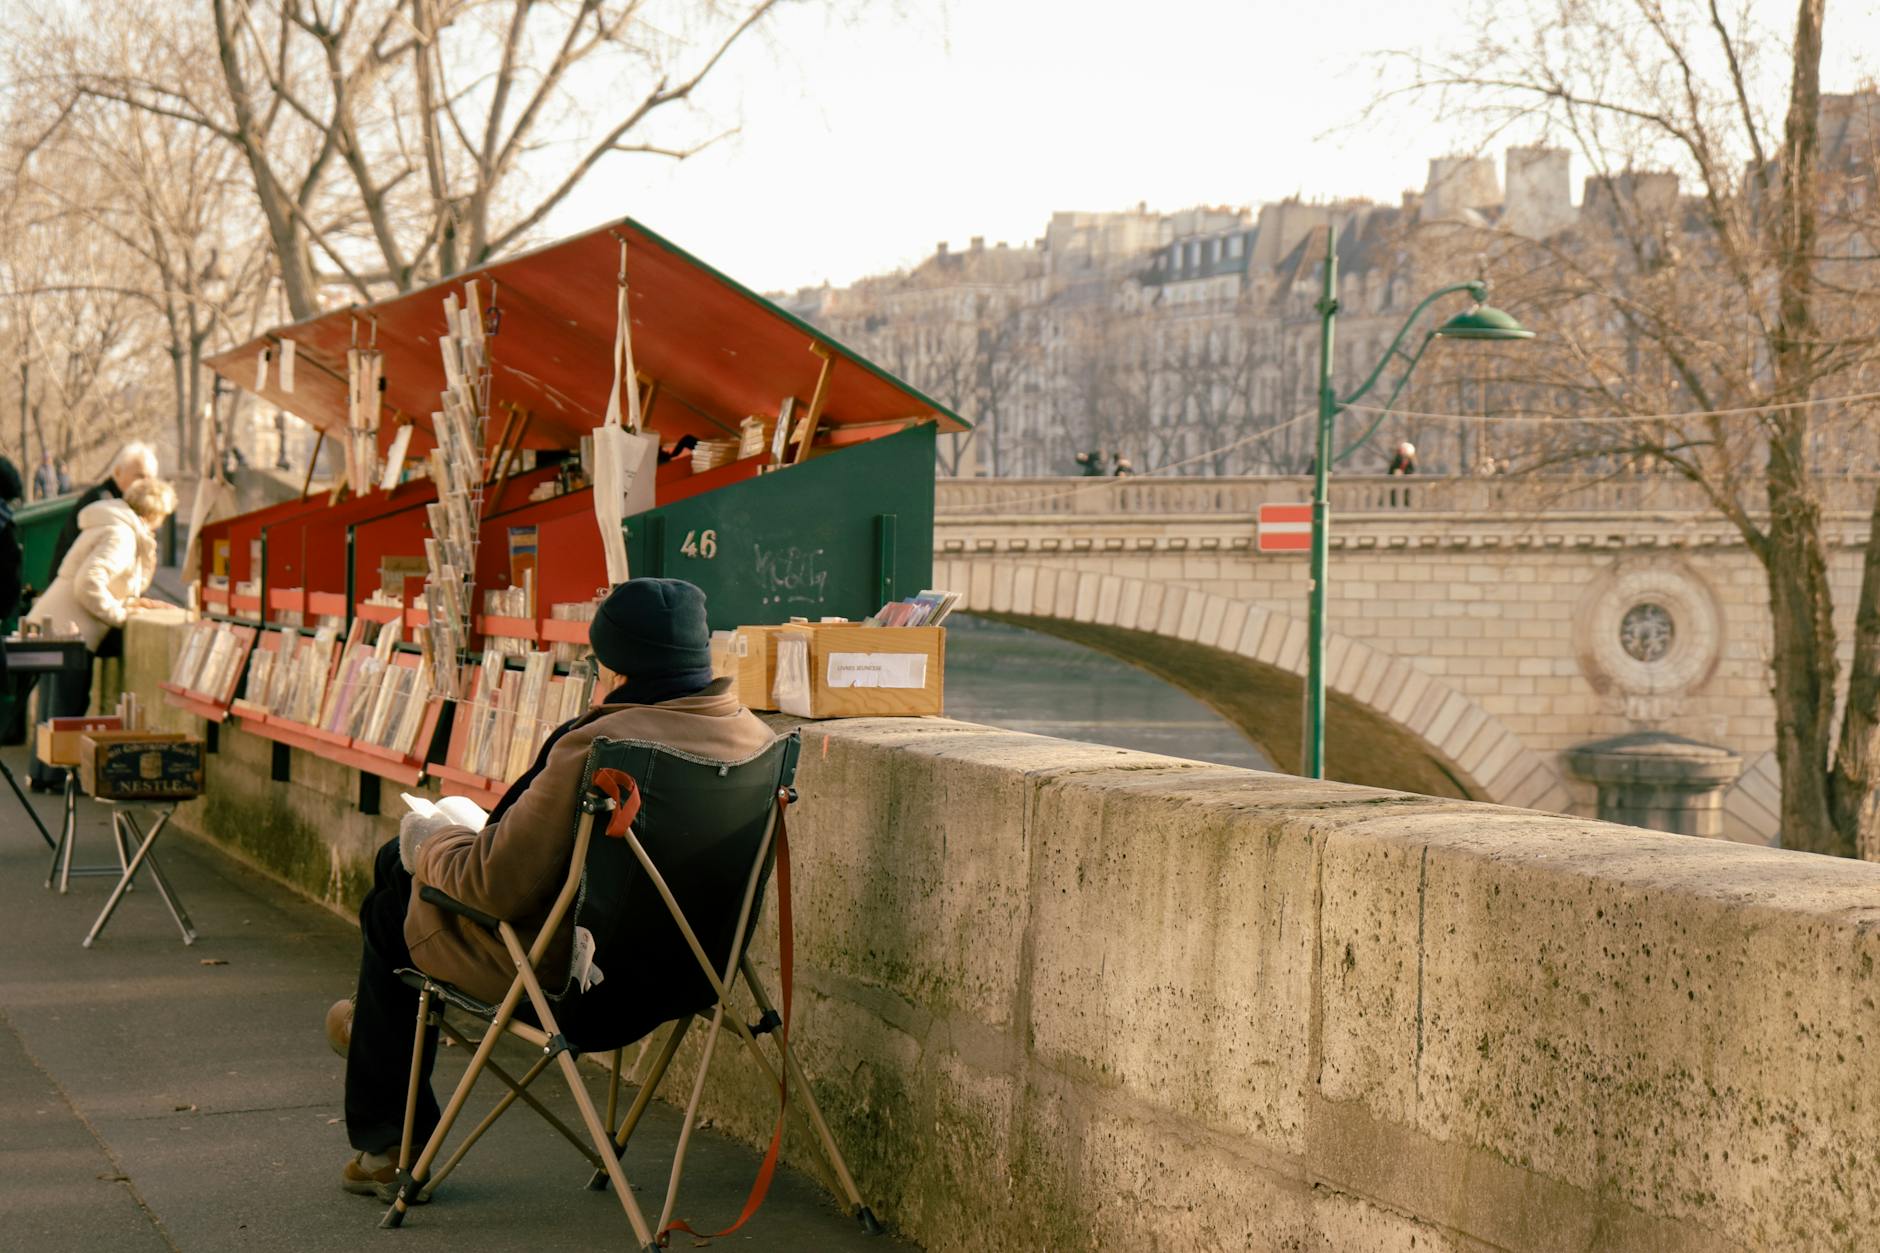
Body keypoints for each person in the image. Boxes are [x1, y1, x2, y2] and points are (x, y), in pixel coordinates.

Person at [325, 577, 774, 1199]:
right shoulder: (757, 740)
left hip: (575, 988)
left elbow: (490, 887)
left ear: (612, 662)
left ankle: (385, 1135)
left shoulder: (600, 746)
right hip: (693, 975)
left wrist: (428, 837)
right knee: (403, 888)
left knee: (394, 886)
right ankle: (375, 1040)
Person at [24, 476, 176, 788]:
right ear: (155, 514)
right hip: (71, 630)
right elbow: (89, 583)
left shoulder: (110, 523)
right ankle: (60, 779)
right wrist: (119, 614)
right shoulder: (122, 535)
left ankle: (44, 774)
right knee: (68, 709)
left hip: (56, 622)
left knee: (51, 713)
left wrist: (130, 601)